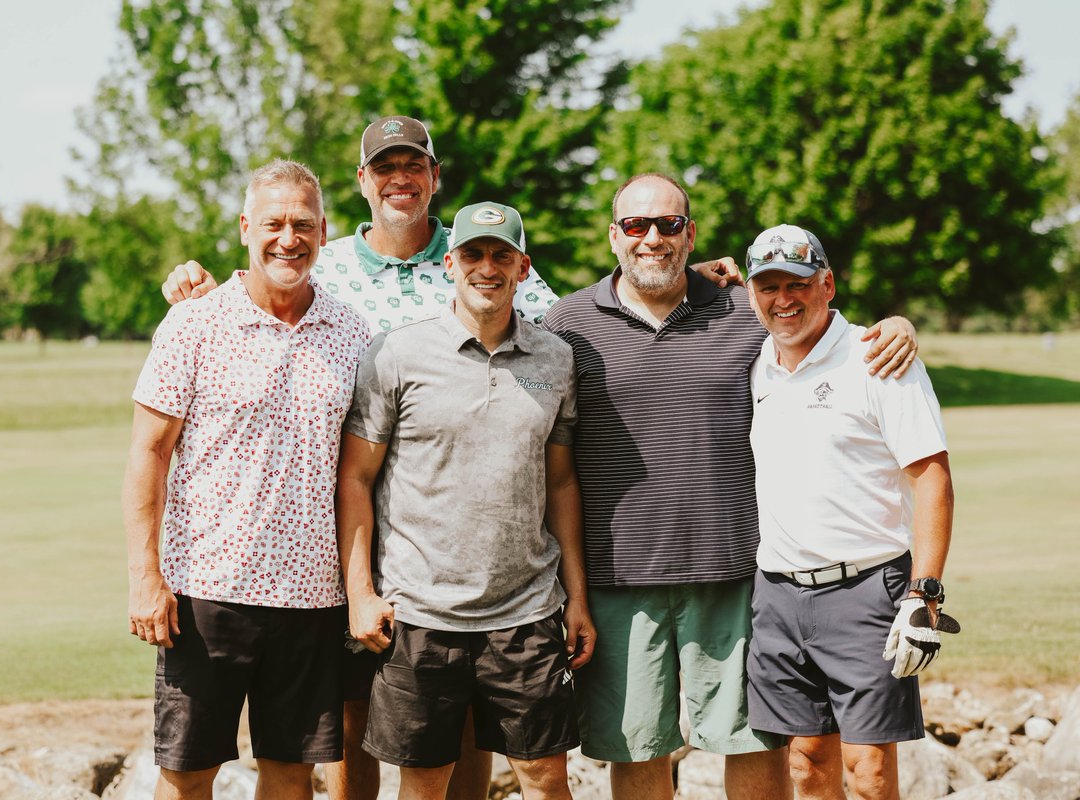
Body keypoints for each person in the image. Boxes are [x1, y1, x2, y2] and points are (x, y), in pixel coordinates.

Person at [157, 117, 742, 800]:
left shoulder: (484, 261)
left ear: (435, 179)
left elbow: (579, 325)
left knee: (458, 734)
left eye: (414, 167)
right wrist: (199, 287)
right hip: (364, 547)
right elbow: (269, 283)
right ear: (363, 182)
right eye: (385, 168)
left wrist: (673, 279)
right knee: (357, 725)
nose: (399, 179)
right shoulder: (327, 260)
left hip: (482, 557)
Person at [541, 174, 921, 800]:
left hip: (738, 576)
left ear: (690, 234)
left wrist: (897, 325)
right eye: (637, 225)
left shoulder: (743, 312)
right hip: (618, 582)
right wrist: (573, 593)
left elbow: (820, 328)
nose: (653, 238)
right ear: (614, 236)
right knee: (637, 750)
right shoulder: (570, 324)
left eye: (669, 224)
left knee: (750, 743)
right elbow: (556, 467)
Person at [122, 159, 371, 800]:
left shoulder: (352, 332)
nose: (288, 238)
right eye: (274, 223)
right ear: (244, 228)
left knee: (291, 774)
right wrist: (145, 578)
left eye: (303, 224)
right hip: (206, 594)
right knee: (187, 772)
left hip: (313, 599)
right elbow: (148, 454)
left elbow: (360, 470)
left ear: (324, 231)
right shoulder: (194, 324)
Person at [336, 201, 595, 800]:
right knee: (424, 786)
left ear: (523, 267)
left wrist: (576, 597)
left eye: (501, 255)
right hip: (420, 612)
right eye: (474, 254)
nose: (487, 267)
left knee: (546, 779)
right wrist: (361, 594)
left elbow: (560, 483)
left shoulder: (556, 358)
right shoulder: (395, 354)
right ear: (449, 263)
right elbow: (356, 479)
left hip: (527, 611)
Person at [743, 224, 957, 800]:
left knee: (869, 770)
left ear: (827, 283)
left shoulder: (877, 356)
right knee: (806, 762)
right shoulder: (756, 357)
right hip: (779, 595)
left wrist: (925, 595)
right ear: (750, 292)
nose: (783, 298)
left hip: (866, 589)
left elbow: (932, 477)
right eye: (768, 285)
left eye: (798, 282)